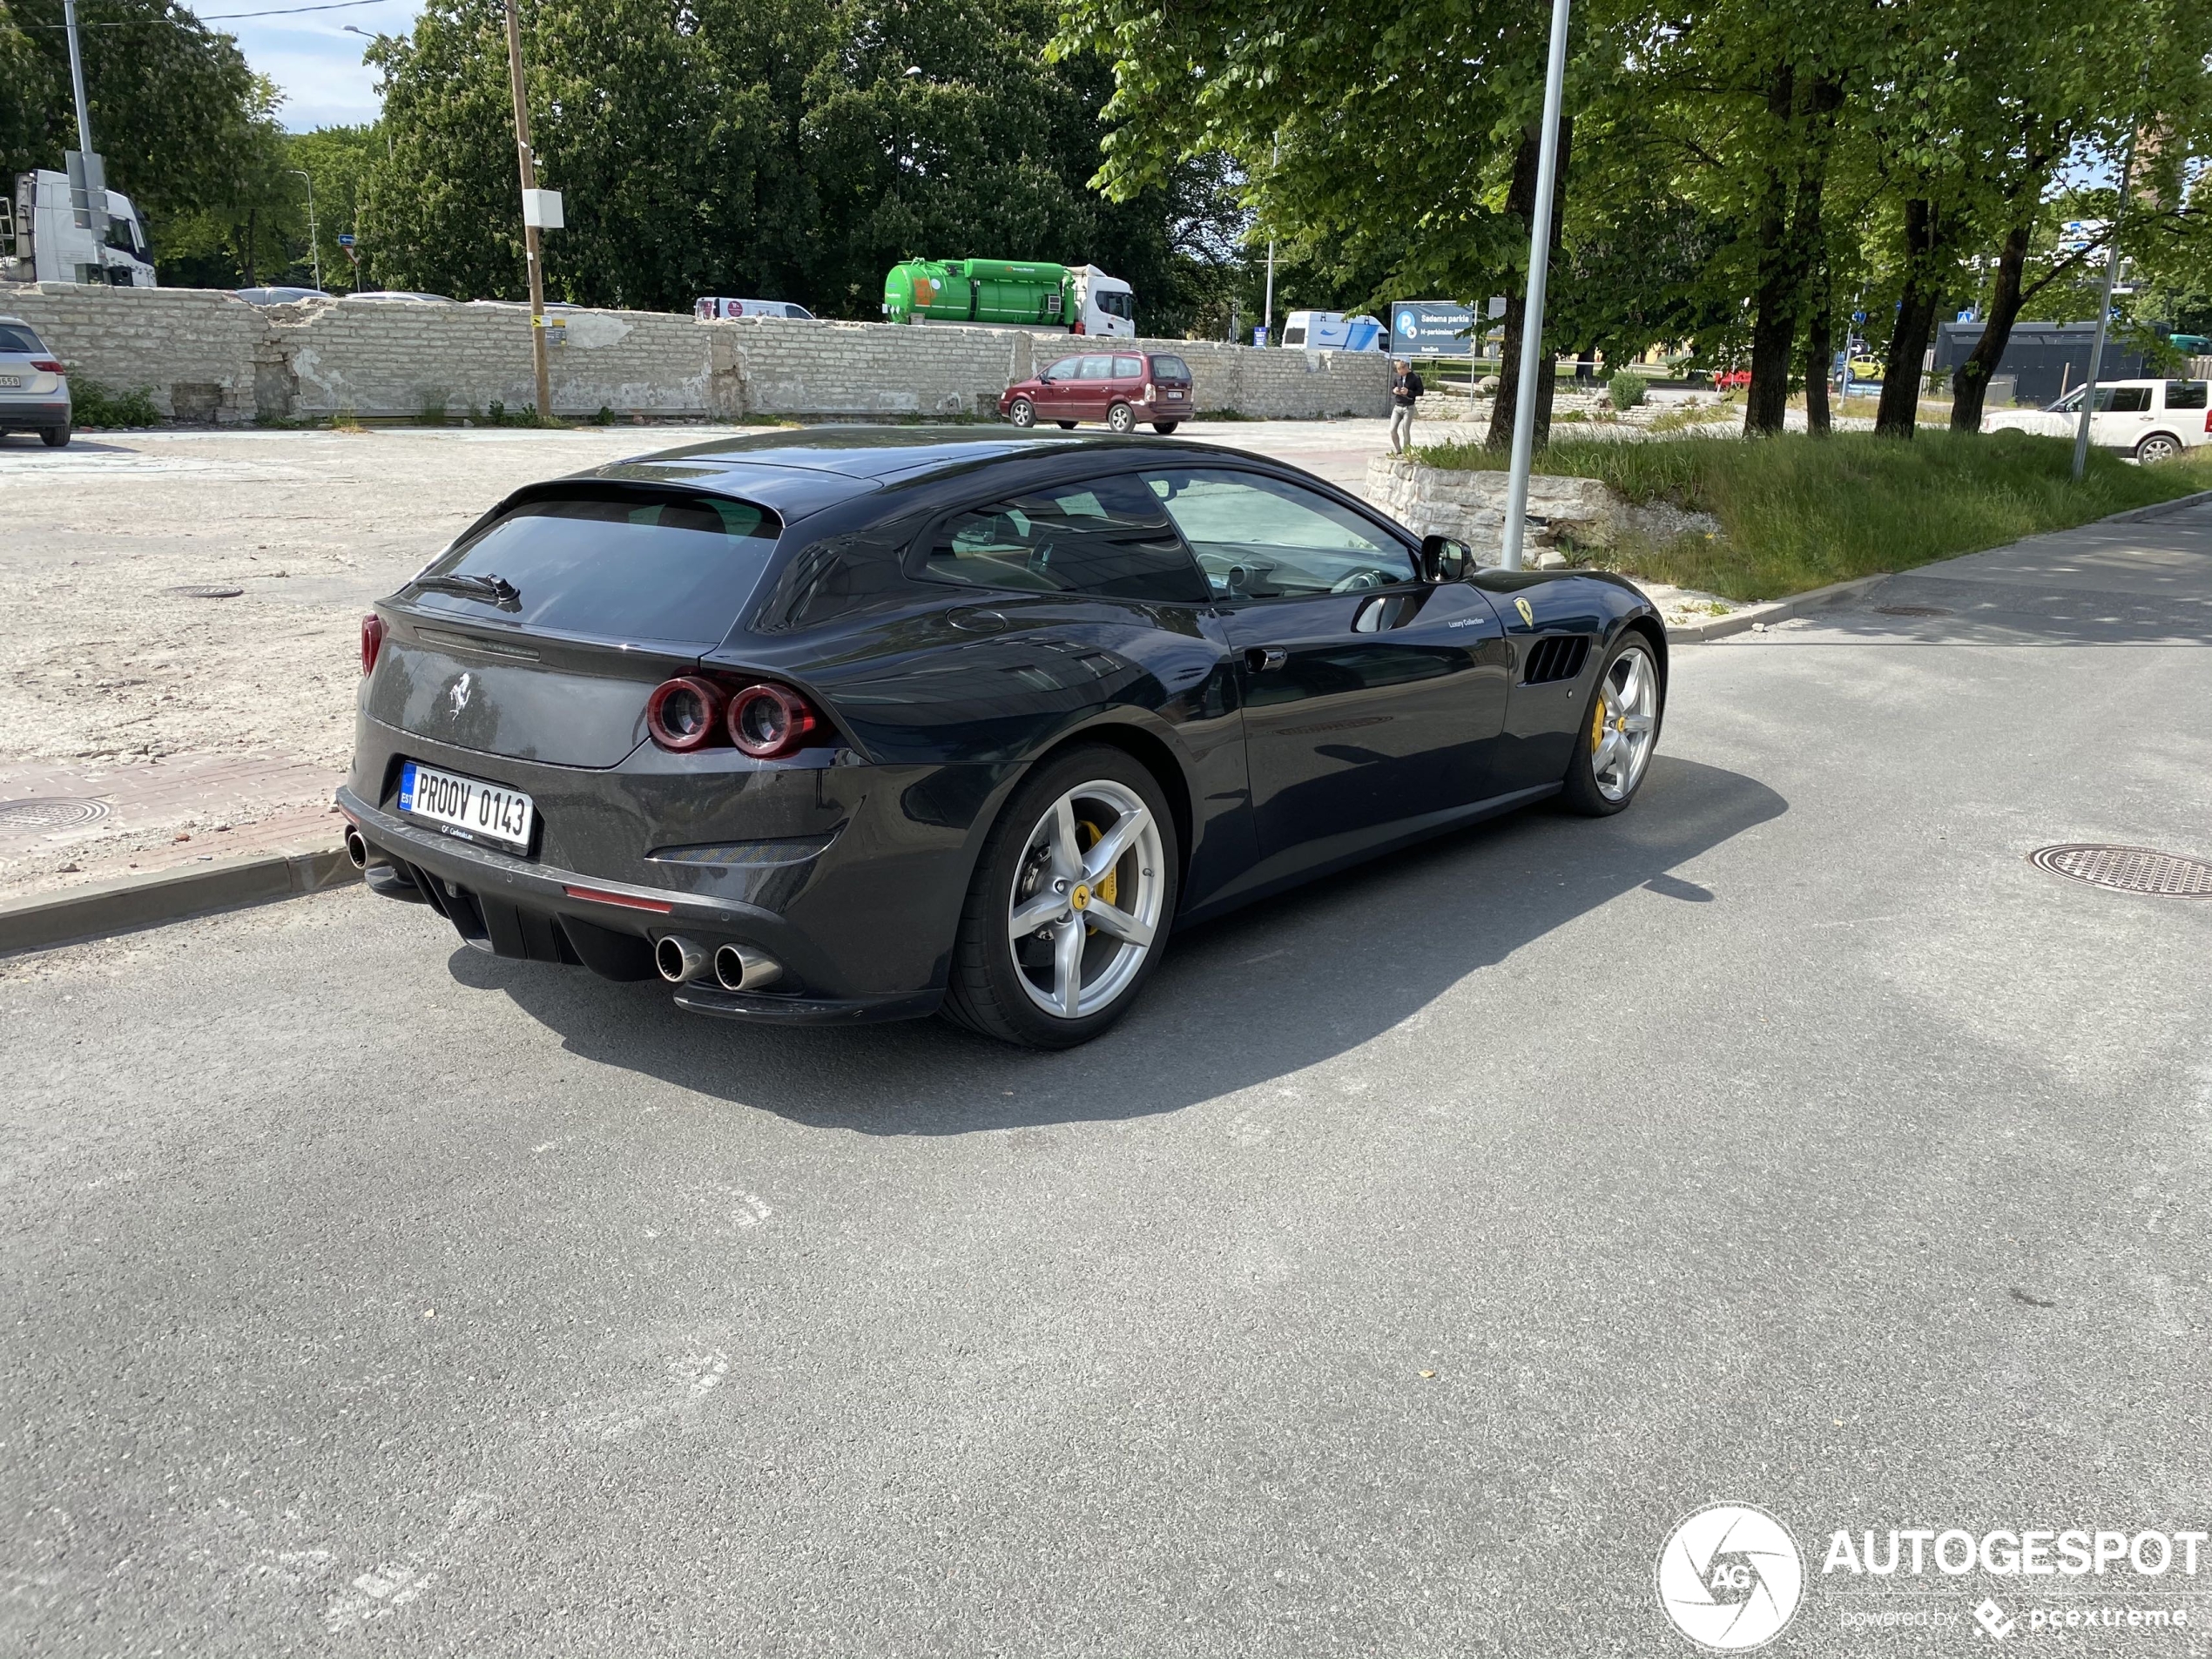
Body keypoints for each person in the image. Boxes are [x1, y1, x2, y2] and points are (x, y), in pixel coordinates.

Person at [1388, 358, 1424, 454]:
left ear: (1406, 368)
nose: (1399, 372)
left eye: (1401, 370)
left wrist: (1409, 392)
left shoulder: (1415, 377)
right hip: (1397, 407)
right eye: (1398, 370)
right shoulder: (1397, 377)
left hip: (1408, 407)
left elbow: (1420, 392)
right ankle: (1398, 450)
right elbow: (1392, 387)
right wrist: (1394, 391)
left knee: (1405, 430)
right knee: (1392, 429)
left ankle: (1406, 451)